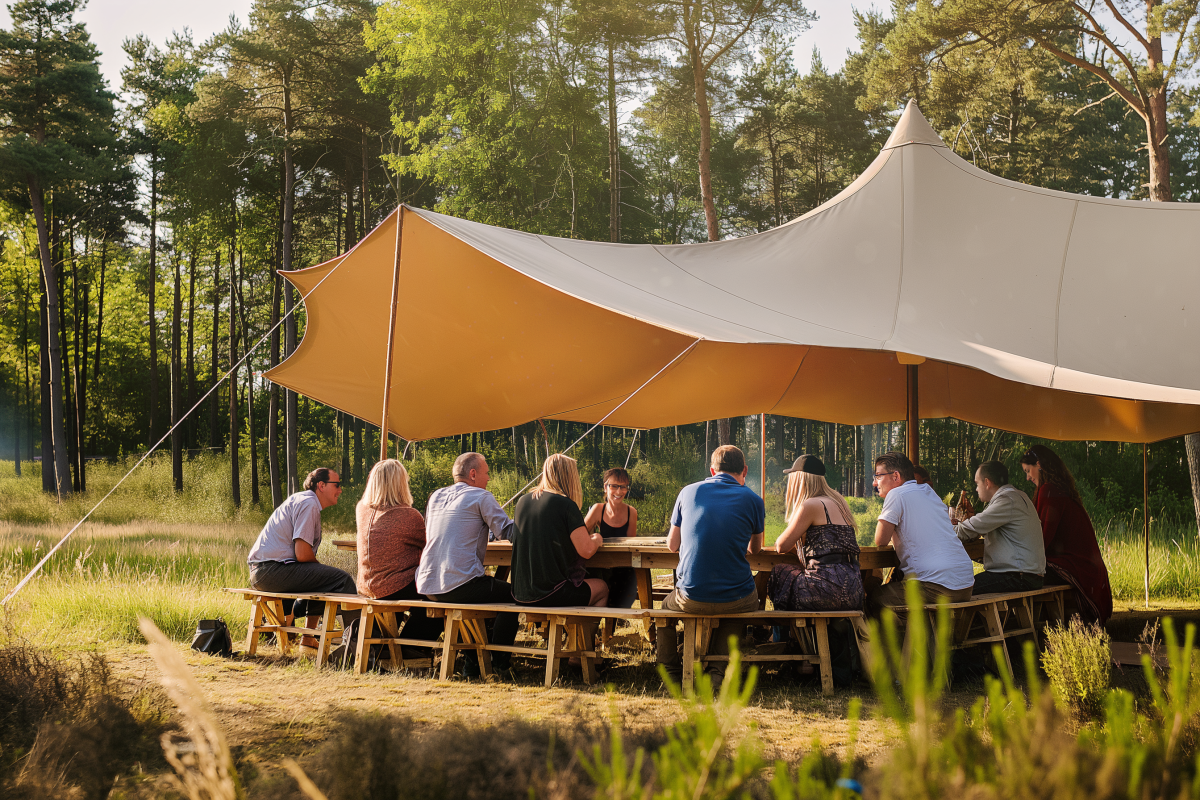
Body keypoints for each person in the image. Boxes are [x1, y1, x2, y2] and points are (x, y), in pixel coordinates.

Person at [658, 445, 765, 685]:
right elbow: (755, 549)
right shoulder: (754, 499)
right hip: (737, 597)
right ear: (744, 470)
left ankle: (671, 671)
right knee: (743, 604)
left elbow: (672, 545)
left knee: (664, 610)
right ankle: (717, 672)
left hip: (690, 597)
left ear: (712, 470)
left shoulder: (687, 492)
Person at [415, 452, 518, 674]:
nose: (489, 478)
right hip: (459, 583)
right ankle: (499, 664)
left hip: (427, 584)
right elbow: (508, 532)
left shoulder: (435, 497)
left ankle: (473, 661)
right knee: (514, 595)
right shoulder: (481, 496)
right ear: (473, 474)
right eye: (487, 473)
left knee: (477, 592)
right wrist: (531, 518)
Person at [247, 467, 357, 648]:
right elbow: (303, 554)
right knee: (341, 579)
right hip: (271, 571)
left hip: (266, 570)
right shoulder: (309, 504)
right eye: (337, 485)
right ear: (321, 485)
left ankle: (308, 638)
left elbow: (304, 560)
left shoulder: (303, 500)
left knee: (323, 578)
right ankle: (357, 643)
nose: (340, 490)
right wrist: (320, 569)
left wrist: (319, 570)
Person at [356, 459, 443, 659]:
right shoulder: (408, 515)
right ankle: (409, 648)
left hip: (367, 584)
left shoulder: (362, 509)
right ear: (400, 484)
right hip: (394, 585)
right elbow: (431, 546)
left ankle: (394, 647)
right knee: (442, 596)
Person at [869, 451, 974, 611]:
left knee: (875, 597)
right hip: (965, 585)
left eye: (878, 476)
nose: (875, 483)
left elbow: (880, 540)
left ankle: (908, 636)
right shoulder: (928, 492)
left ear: (895, 476)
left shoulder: (896, 494)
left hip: (936, 588)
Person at [1020, 445, 1113, 623]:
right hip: (1087, 567)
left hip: (1074, 566)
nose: (1028, 477)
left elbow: (1041, 540)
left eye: (1028, 470)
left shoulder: (1049, 491)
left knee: (1018, 576)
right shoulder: (1057, 490)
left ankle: (1025, 627)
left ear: (1038, 464)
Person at [767, 455, 862, 612]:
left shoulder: (810, 505)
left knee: (780, 572)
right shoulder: (840, 501)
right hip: (853, 590)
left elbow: (781, 546)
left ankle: (783, 634)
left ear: (799, 479)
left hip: (825, 591)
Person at [512, 454, 609, 608]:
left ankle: (570, 632)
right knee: (602, 588)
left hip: (519, 594)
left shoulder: (522, 502)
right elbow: (587, 550)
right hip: (552, 593)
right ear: (570, 476)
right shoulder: (566, 505)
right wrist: (596, 539)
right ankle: (582, 633)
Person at [951, 460, 1046, 593]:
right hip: (1027, 575)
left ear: (987, 483)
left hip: (1018, 576)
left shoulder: (1007, 500)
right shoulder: (1017, 496)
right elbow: (983, 528)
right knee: (963, 586)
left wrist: (940, 528)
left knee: (957, 590)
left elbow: (965, 531)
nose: (976, 489)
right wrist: (969, 520)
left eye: (977, 483)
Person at [583, 467, 639, 608]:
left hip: (622, 567)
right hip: (600, 566)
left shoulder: (631, 512)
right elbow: (581, 537)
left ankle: (617, 619)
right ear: (605, 487)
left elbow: (631, 546)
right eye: (614, 486)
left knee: (630, 582)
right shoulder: (597, 509)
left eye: (623, 487)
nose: (619, 492)